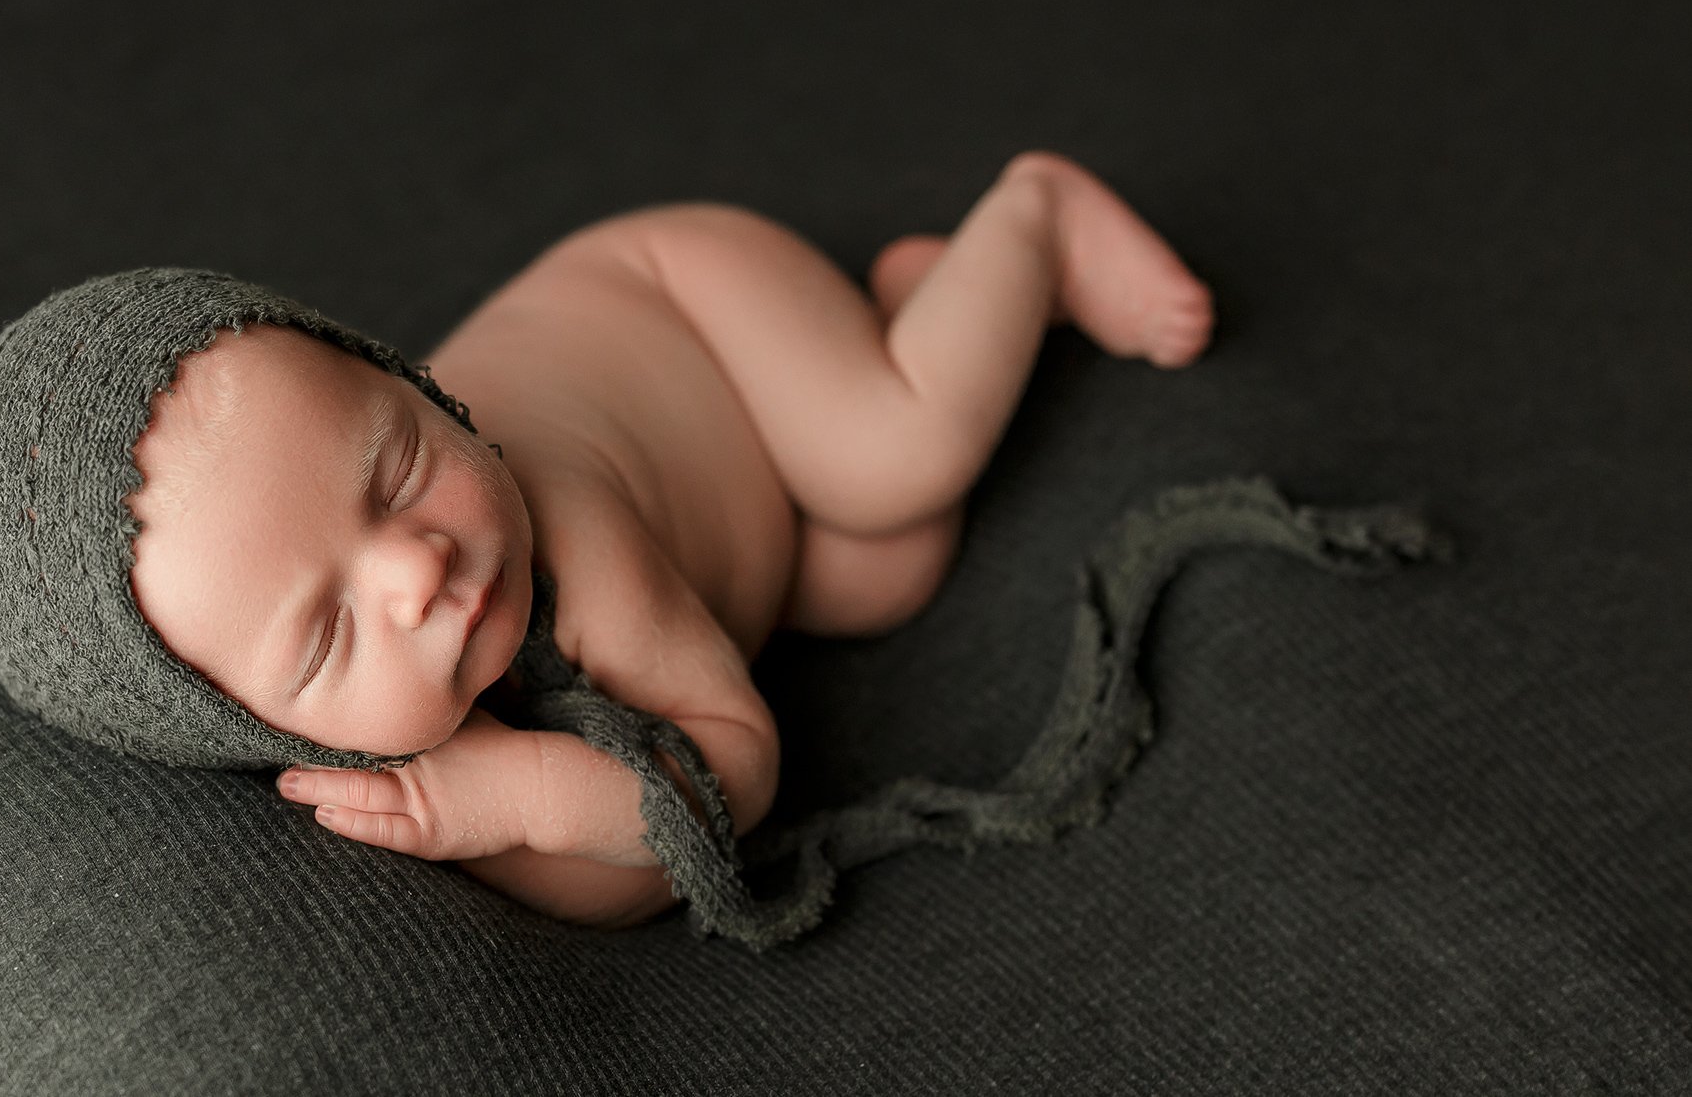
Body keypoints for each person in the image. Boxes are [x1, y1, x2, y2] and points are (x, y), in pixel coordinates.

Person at [114, 150, 1213, 930]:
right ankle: (926, 312)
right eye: (322, 638)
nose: (414, 568)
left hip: (687, 302)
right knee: (878, 578)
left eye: (398, 467)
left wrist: (522, 794)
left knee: (894, 459)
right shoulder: (352, 759)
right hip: (747, 525)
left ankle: (1032, 220)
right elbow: (624, 881)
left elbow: (737, 769)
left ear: (408, 386)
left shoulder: (563, 554)